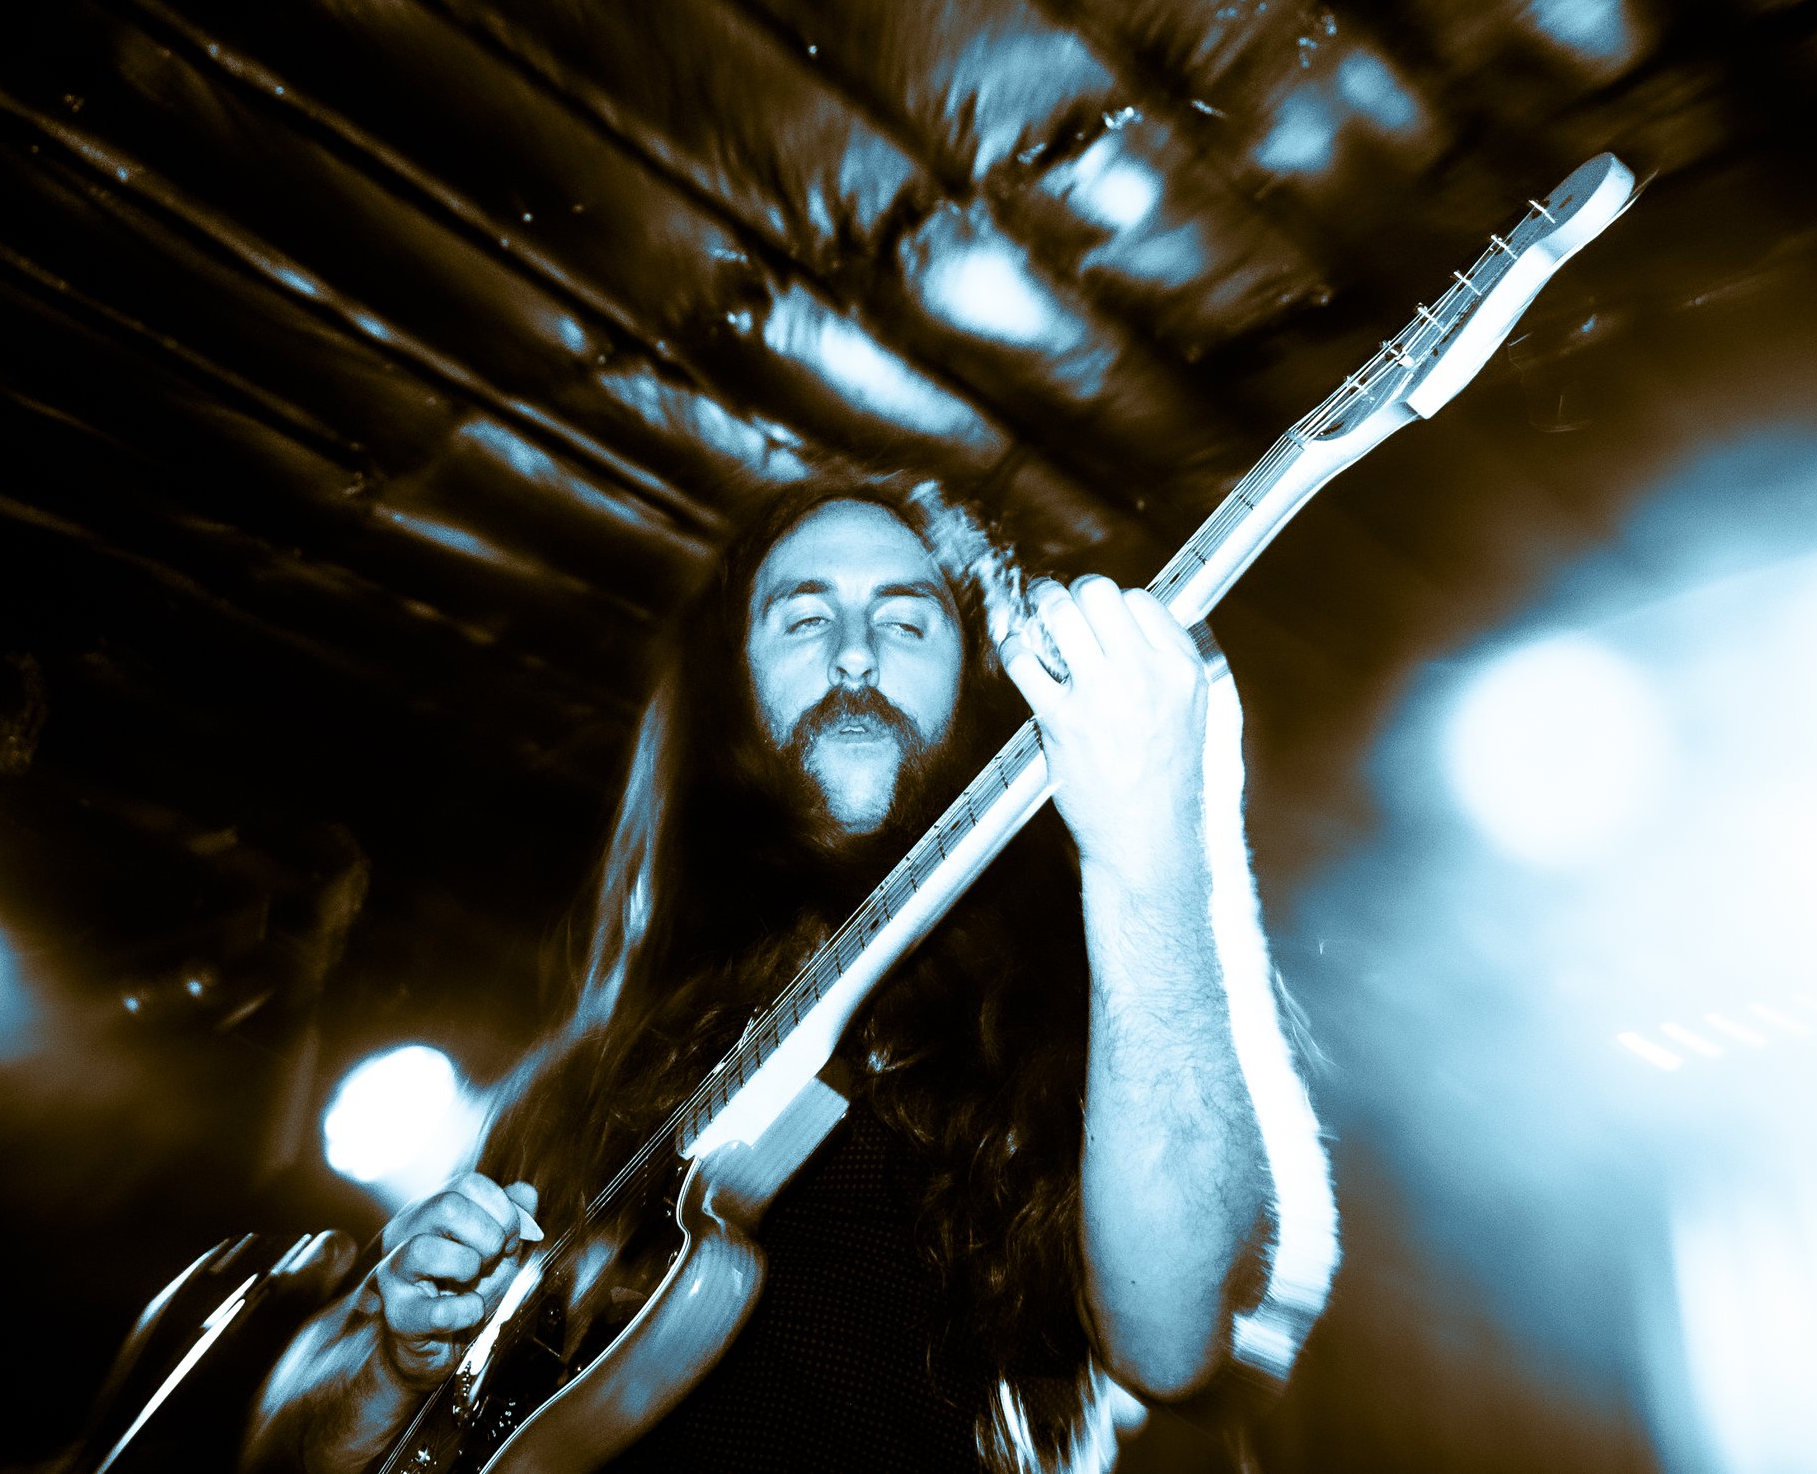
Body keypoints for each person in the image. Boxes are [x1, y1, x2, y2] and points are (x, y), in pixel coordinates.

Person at [247, 475, 1336, 1474]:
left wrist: (1157, 838)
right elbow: (288, 1446)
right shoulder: (588, 1073)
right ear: (736, 688)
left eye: (906, 621)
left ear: (976, 680)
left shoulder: (1104, 1013)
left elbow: (1181, 1339)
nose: (855, 657)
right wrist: (394, 1354)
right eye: (805, 619)